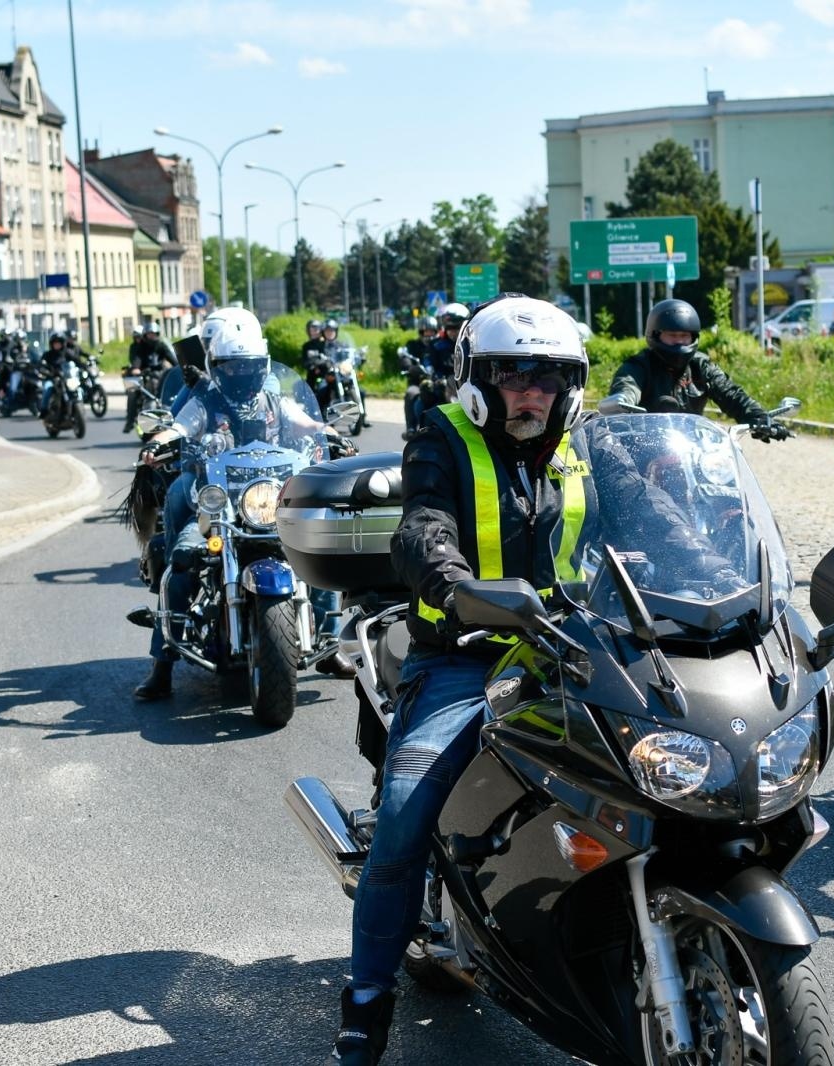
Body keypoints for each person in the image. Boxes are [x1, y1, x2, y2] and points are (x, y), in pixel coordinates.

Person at [329, 294, 592, 1066]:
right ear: (477, 376)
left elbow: (653, 516)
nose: (532, 391)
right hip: (468, 652)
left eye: (549, 375)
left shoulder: (586, 444)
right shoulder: (440, 436)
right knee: (406, 815)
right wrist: (453, 583)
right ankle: (367, 1004)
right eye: (513, 373)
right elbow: (422, 529)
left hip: (579, 648)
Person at [132, 309, 331, 700]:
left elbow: (304, 423)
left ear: (262, 366)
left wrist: (330, 432)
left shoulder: (273, 400)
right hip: (217, 510)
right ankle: (162, 664)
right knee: (183, 560)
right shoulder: (205, 401)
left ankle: (329, 643)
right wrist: (159, 441)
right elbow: (180, 427)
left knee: (316, 553)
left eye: (248, 366)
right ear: (216, 366)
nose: (241, 374)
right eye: (232, 367)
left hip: (268, 504)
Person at [604, 298, 782, 436]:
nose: (679, 341)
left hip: (692, 450)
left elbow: (731, 394)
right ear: (655, 335)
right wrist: (623, 402)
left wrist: (759, 417)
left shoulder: (701, 366)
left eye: (684, 335)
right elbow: (627, 388)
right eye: (672, 335)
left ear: (693, 337)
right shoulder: (638, 366)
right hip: (644, 449)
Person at [123, 322, 177, 433]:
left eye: (154, 334)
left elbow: (172, 359)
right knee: (132, 392)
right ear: (145, 335)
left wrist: (179, 366)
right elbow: (137, 359)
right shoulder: (140, 347)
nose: (152, 336)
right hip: (144, 374)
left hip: (160, 373)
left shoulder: (161, 345)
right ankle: (129, 421)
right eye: (149, 334)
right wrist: (136, 368)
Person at [399, 318, 441, 433]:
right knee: (411, 393)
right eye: (426, 331)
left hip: (436, 381)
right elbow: (405, 358)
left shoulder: (438, 345)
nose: (429, 334)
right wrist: (410, 367)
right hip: (417, 382)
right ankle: (411, 428)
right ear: (421, 332)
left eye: (432, 331)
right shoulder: (412, 345)